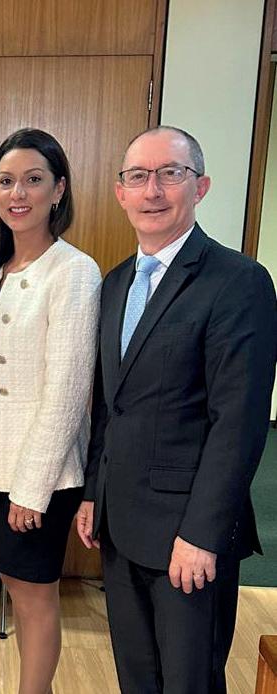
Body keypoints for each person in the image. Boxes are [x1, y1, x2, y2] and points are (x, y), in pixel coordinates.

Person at [77, 126, 277, 693]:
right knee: (137, 677)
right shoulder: (115, 283)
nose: (153, 190)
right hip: (122, 524)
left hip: (188, 536)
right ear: (121, 192)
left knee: (189, 682)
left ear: (200, 186)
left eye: (171, 173)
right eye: (138, 176)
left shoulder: (238, 281)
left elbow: (238, 423)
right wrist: (94, 492)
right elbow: (109, 405)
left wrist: (202, 535)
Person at [0, 128, 102, 694]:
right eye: (6, 181)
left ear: (58, 190)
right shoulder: (2, 270)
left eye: (33, 180)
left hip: (39, 478)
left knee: (34, 597)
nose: (18, 193)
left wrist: (31, 492)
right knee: (17, 588)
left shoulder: (73, 271)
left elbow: (67, 391)